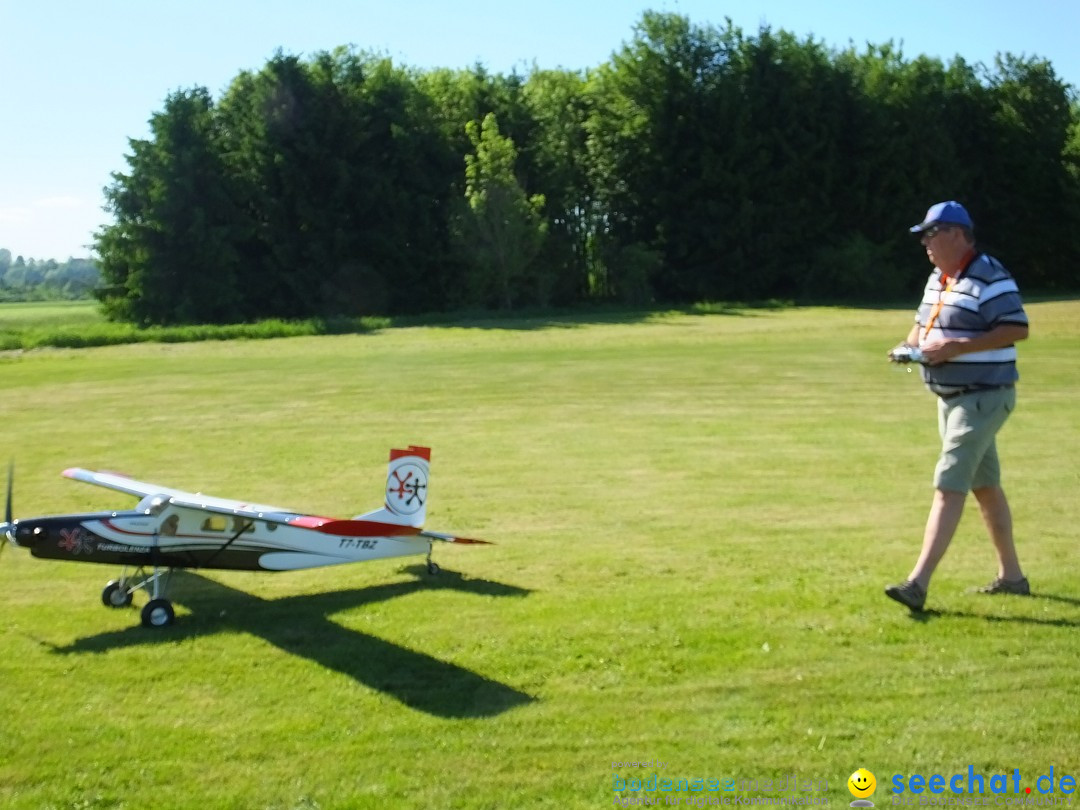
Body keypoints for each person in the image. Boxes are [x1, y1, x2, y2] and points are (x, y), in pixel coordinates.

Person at [885, 201, 1030, 611]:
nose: (926, 243)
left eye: (931, 234)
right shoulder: (939, 277)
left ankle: (917, 583)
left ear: (956, 234)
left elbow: (1017, 327)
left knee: (949, 484)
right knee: (985, 487)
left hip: (983, 395)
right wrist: (907, 347)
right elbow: (921, 325)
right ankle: (1013, 578)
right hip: (950, 398)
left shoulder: (989, 274)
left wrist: (957, 347)